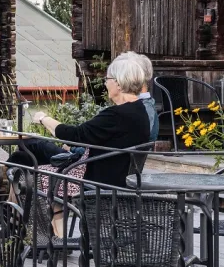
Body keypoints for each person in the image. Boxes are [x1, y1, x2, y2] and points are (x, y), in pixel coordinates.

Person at [31, 53, 151, 188]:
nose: (105, 83)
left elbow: (75, 135)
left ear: (118, 82)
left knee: (33, 173)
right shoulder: (140, 110)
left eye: (107, 79)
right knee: (26, 159)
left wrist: (44, 118)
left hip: (98, 185)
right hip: (119, 181)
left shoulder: (116, 115)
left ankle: (53, 208)